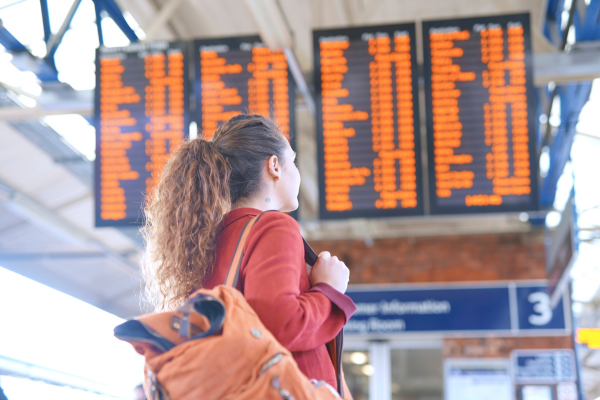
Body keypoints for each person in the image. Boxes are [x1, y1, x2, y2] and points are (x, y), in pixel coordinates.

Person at [141, 114, 356, 389]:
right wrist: (329, 288)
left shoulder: (204, 239)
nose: (297, 172)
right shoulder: (273, 226)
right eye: (294, 161)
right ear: (274, 166)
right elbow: (281, 325)